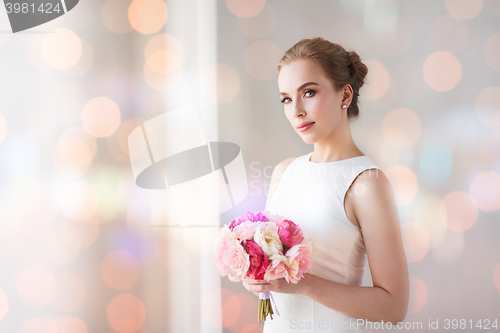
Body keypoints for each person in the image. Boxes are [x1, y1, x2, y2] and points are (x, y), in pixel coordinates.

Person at [242, 37, 409, 332]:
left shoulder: (366, 182)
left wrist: (301, 284)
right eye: (286, 99)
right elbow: (275, 294)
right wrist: (259, 276)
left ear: (345, 95)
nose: (296, 110)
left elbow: (393, 306)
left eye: (308, 92)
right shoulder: (285, 172)